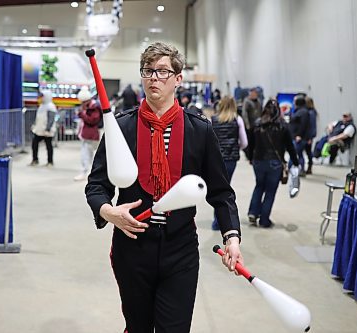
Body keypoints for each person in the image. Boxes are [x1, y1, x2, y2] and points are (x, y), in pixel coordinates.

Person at [85, 41, 243, 333]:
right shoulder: (122, 128)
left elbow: (221, 192)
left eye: (162, 71)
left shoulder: (199, 130)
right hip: (132, 248)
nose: (153, 78)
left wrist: (232, 237)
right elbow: (96, 186)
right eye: (147, 71)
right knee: (138, 327)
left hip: (179, 248)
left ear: (178, 79)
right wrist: (109, 212)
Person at [247, 99, 299, 228]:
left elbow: (250, 144)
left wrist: (250, 158)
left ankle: (253, 213)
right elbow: (290, 147)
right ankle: (264, 220)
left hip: (258, 161)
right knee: (270, 191)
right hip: (275, 163)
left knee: (259, 186)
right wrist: (295, 162)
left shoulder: (257, 125)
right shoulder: (283, 126)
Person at [211, 95, 248, 230]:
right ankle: (221, 221)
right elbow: (244, 143)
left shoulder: (213, 119)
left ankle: (216, 221)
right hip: (230, 159)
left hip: (215, 158)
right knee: (225, 189)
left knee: (216, 188)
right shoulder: (237, 120)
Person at [74, 95, 102, 181]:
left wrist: (81, 114)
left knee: (87, 155)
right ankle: (88, 172)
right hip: (88, 135)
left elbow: (92, 120)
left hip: (91, 135)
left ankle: (86, 172)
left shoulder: (94, 107)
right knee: (88, 155)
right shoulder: (91, 107)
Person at [29, 90, 57, 167]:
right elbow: (38, 118)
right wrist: (34, 125)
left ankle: (50, 161)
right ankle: (35, 160)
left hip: (47, 131)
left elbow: (51, 119)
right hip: (39, 130)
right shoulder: (41, 106)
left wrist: (48, 128)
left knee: (48, 146)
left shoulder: (51, 106)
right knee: (34, 143)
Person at [288, 94, 309, 176]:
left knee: (295, 153)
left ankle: (294, 168)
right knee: (298, 154)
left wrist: (299, 135)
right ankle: (299, 169)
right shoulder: (298, 111)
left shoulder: (303, 112)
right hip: (295, 136)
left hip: (299, 137)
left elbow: (303, 125)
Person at [304, 96, 318, 174]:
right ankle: (309, 167)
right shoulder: (311, 112)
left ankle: (310, 167)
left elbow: (312, 126)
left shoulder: (311, 113)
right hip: (308, 135)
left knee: (308, 152)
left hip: (308, 136)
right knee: (308, 152)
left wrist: (310, 137)